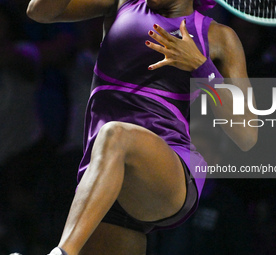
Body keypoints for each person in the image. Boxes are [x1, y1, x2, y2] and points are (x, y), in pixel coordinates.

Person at [26, 0, 258, 254]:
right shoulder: (122, 4)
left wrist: (201, 67)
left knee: (116, 134)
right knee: (114, 138)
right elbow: (38, 11)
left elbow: (247, 134)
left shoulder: (219, 37)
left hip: (169, 175)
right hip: (111, 183)